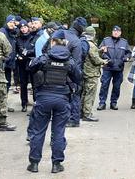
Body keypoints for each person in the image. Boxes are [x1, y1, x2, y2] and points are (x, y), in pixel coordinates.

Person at [27, 29, 82, 173]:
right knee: (58, 132)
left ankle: (34, 164)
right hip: (62, 100)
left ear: (52, 42)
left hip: (43, 98)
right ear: (65, 43)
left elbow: (30, 68)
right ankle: (56, 164)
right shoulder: (70, 61)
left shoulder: (45, 58)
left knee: (38, 131)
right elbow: (78, 78)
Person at [97, 25, 132, 110]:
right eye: (114, 31)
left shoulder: (124, 42)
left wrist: (123, 60)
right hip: (107, 67)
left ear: (120, 33)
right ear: (112, 32)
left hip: (119, 68)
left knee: (117, 87)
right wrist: (107, 58)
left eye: (118, 31)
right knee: (104, 85)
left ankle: (113, 103)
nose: (116, 32)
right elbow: (100, 52)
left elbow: (129, 53)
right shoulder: (106, 41)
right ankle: (102, 103)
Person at [81, 26, 108, 122]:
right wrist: (104, 61)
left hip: (85, 72)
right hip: (91, 73)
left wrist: (99, 51)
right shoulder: (91, 45)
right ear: (93, 34)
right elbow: (95, 60)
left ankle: (82, 112)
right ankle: (87, 114)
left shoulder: (83, 42)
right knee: (90, 94)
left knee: (84, 92)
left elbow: (90, 54)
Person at [16, 19, 33, 111]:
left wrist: (26, 53)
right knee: (23, 84)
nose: (23, 29)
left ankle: (36, 103)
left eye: (25, 27)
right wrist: (18, 56)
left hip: (31, 63)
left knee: (34, 84)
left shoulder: (32, 37)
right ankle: (24, 103)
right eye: (21, 28)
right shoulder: (17, 39)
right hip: (21, 64)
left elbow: (34, 50)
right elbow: (15, 51)